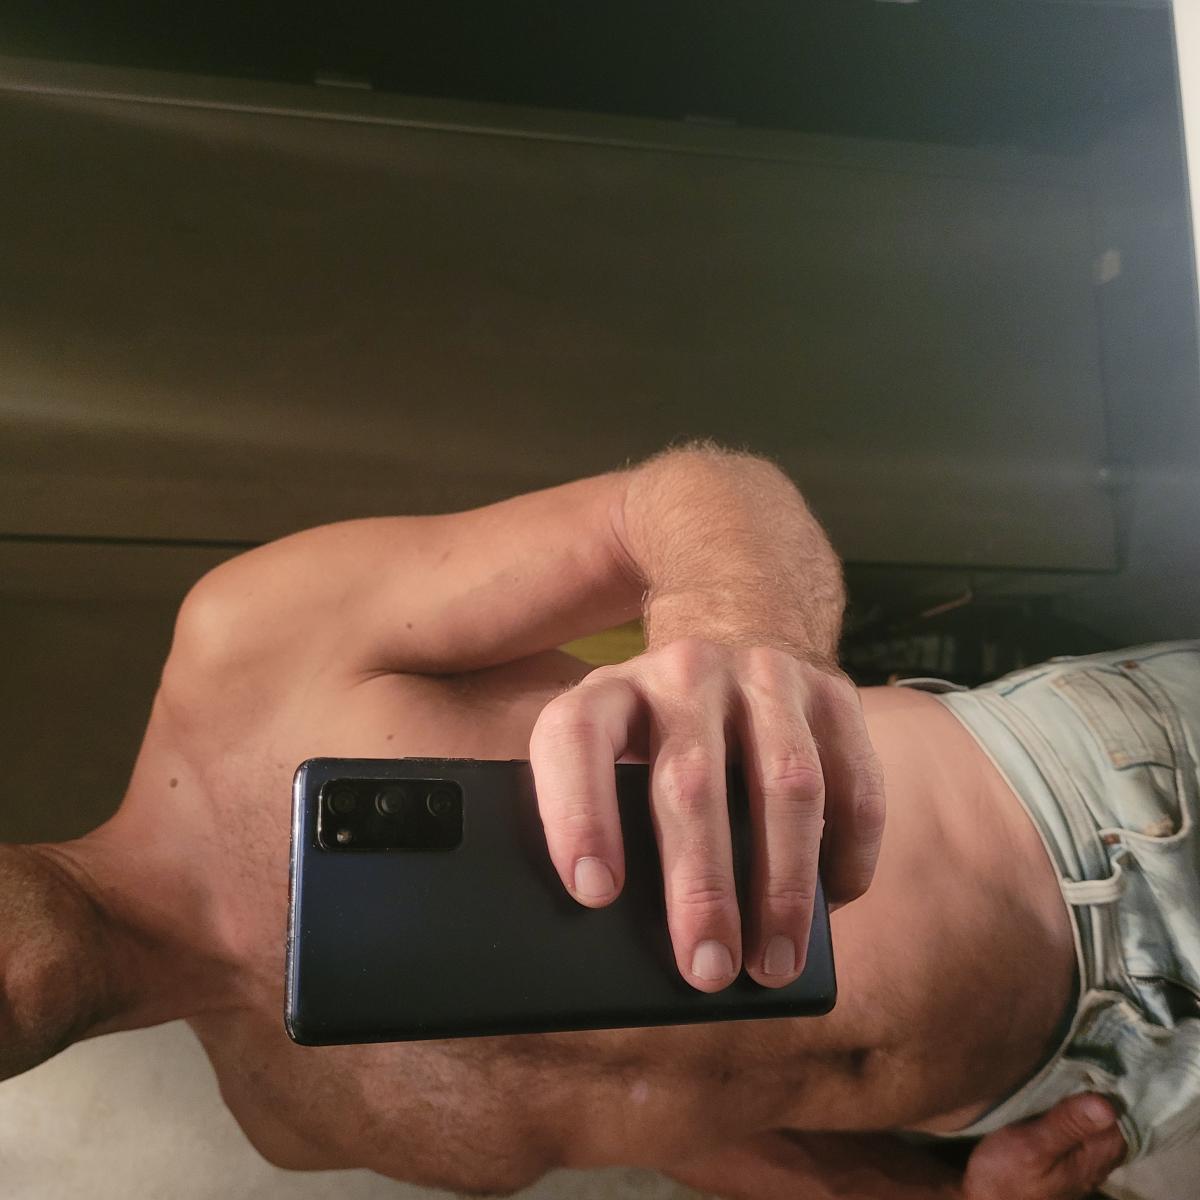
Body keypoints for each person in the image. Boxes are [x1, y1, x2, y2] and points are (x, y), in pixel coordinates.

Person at [0, 442, 1154, 1199]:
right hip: (1073, 1100)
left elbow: (695, 496)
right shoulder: (290, 1124)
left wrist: (742, 629)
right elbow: (690, 1128)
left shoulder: (244, 650)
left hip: (1100, 813)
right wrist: (948, 1197)